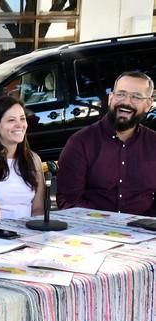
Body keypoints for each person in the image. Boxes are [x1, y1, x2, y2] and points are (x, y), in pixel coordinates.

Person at [57, 71, 156, 216]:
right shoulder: (81, 142)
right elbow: (68, 199)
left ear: (148, 104)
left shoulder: (153, 143)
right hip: (92, 231)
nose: (126, 102)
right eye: (121, 94)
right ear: (111, 98)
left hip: (145, 231)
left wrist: (146, 225)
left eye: (136, 96)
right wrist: (103, 222)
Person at [0, 95, 45, 219]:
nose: (19, 125)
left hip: (28, 232)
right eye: (11, 120)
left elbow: (38, 209)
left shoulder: (34, 159)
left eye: (22, 119)